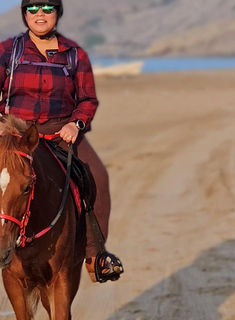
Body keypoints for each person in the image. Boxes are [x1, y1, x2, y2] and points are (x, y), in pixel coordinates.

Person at [0, 0, 124, 282]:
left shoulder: (74, 54)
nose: (40, 14)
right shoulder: (8, 51)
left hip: (60, 131)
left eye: (47, 8)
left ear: (57, 13)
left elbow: (87, 100)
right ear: (24, 15)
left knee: (99, 178)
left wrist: (75, 123)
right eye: (33, 9)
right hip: (15, 132)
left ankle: (96, 256)